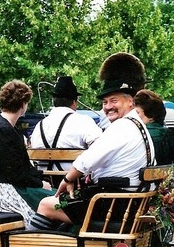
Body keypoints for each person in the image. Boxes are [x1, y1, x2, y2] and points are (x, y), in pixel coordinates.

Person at [30, 74, 155, 230]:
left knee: (47, 204)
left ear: (130, 101)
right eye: (105, 102)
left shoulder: (122, 126)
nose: (108, 106)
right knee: (62, 205)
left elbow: (88, 159)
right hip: (127, 202)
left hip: (110, 203)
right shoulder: (139, 126)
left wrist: (68, 179)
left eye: (113, 101)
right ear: (74, 101)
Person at [0, 80, 55, 226]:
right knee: (58, 204)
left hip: (9, 185)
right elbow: (15, 173)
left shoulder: (3, 126)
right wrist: (40, 183)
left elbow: (20, 168)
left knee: (57, 196)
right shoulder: (3, 130)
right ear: (22, 104)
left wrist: (40, 179)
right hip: (4, 190)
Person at [30, 76, 102, 170]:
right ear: (74, 102)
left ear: (54, 101)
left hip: (44, 181)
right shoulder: (83, 121)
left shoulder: (39, 125)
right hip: (74, 182)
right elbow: (101, 147)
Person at [133, 89, 174, 164]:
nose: (134, 116)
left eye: (137, 112)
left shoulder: (141, 134)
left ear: (150, 115)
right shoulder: (168, 133)